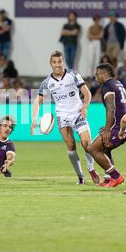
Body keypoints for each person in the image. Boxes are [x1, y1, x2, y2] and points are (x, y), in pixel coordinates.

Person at [31, 50, 99, 185]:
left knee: (87, 144)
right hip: (63, 116)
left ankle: (91, 168)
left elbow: (87, 93)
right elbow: (37, 101)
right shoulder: (47, 83)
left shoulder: (73, 75)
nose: (57, 65)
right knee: (71, 145)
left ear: (63, 62)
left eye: (60, 61)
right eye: (54, 62)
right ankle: (80, 177)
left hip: (78, 112)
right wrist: (34, 120)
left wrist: (85, 107)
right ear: (51, 64)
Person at [86, 63, 126, 187]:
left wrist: (108, 130)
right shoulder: (117, 83)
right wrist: (108, 127)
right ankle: (109, 179)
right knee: (105, 147)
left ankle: (116, 176)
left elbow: (111, 108)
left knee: (92, 149)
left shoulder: (107, 86)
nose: (96, 78)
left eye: (97, 75)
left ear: (103, 74)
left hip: (121, 125)